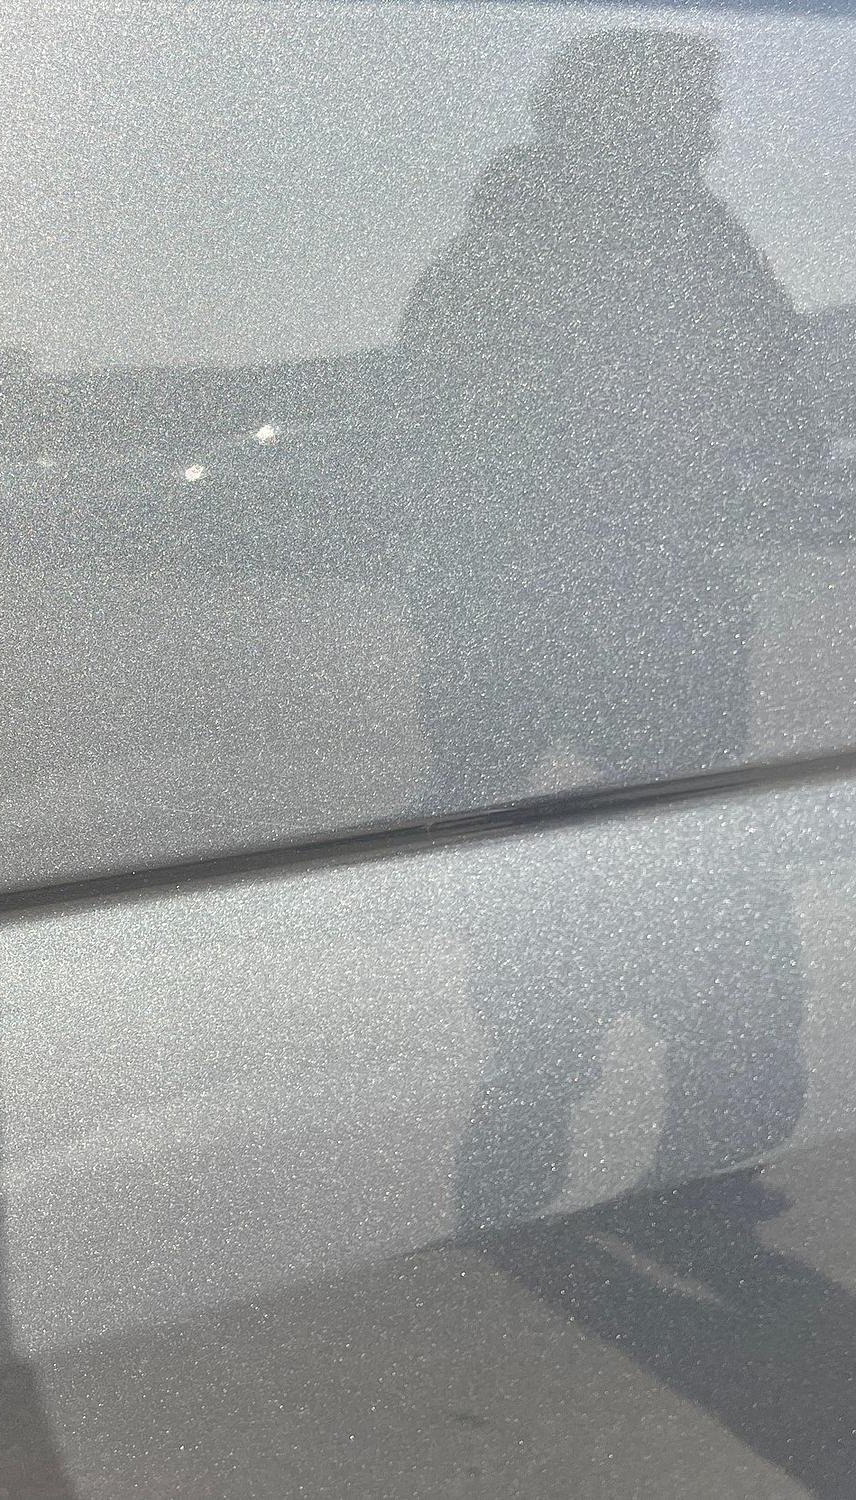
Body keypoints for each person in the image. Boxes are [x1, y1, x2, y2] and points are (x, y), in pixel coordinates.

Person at [386, 30, 821, 1232]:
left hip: (507, 613)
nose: (708, 131)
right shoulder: (674, 244)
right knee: (681, 878)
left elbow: (419, 429)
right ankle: (667, 1134)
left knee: (548, 872)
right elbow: (775, 414)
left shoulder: (495, 245)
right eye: (689, 109)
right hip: (615, 610)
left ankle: (542, 1116)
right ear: (622, 114)